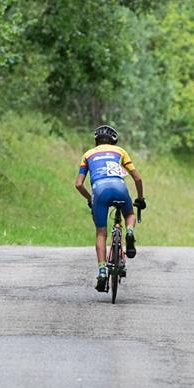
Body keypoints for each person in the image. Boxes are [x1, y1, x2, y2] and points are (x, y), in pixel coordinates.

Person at [75, 124, 145, 292]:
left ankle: (102, 272)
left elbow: (78, 184)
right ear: (114, 141)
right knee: (129, 214)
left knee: (101, 232)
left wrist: (90, 198)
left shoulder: (88, 154)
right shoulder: (120, 152)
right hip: (119, 187)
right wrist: (140, 198)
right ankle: (129, 231)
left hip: (99, 190)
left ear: (96, 140)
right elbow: (137, 178)